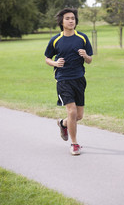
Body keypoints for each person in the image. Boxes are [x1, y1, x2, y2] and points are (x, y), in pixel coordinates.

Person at [44, 8, 93, 155]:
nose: (71, 20)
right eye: (67, 18)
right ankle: (74, 144)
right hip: (63, 80)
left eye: (73, 18)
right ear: (62, 21)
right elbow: (47, 58)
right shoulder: (56, 40)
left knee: (78, 116)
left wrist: (85, 56)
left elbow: (90, 60)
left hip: (79, 79)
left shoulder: (82, 38)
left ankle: (62, 124)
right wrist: (55, 63)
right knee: (71, 112)